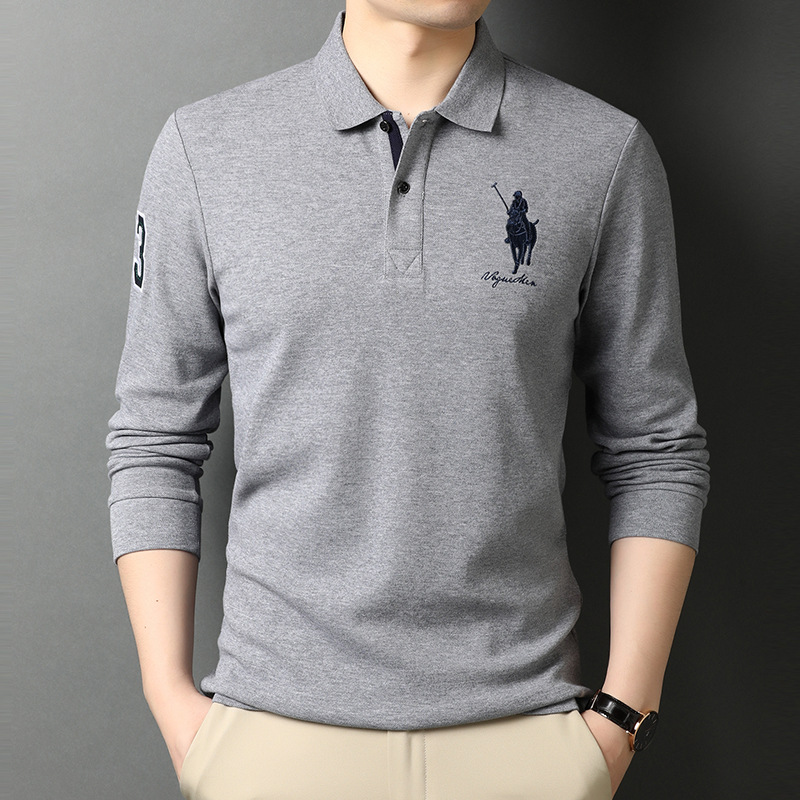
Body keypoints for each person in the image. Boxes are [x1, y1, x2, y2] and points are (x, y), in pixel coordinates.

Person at [106, 2, 710, 798]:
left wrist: (623, 717)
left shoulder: (602, 151)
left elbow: (656, 447)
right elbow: (155, 437)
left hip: (525, 743)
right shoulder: (207, 148)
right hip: (272, 741)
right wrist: (173, 702)